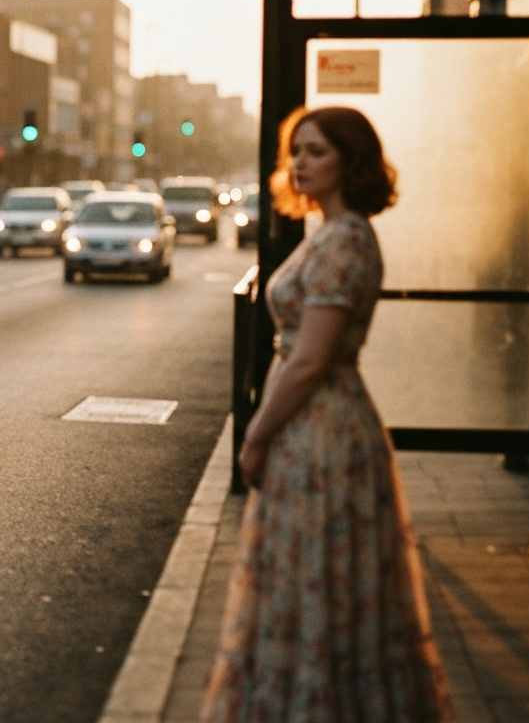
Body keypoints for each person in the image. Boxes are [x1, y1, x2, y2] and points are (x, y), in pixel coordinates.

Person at [202, 107, 450, 723]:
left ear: (352, 161)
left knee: (317, 575)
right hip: (317, 425)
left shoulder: (344, 240)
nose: (301, 163)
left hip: (323, 428)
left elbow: (310, 360)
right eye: (297, 151)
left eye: (317, 151)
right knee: (313, 577)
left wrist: (255, 435)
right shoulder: (332, 233)